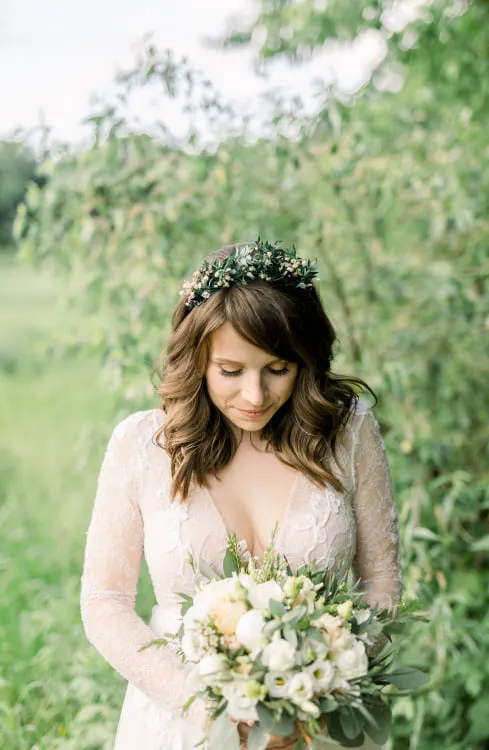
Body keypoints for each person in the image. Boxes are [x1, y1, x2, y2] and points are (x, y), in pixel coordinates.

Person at [80, 239, 402, 750]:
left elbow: (382, 581)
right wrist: (212, 705)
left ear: (305, 361)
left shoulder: (348, 432)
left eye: (278, 369)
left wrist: (321, 681)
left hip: (314, 722)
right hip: (179, 722)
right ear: (197, 359)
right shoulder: (141, 445)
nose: (255, 396)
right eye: (231, 371)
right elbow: (104, 603)